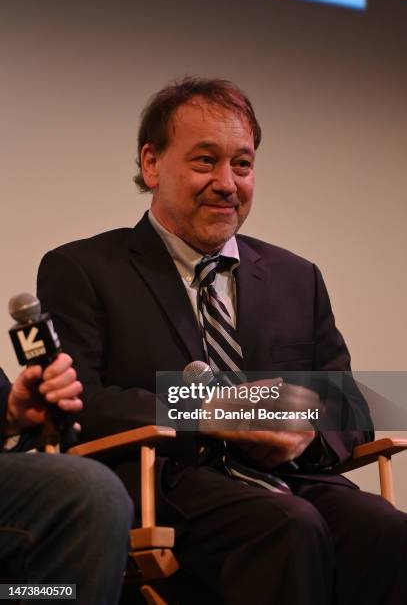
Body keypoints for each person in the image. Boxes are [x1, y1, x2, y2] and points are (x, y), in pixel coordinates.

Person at [37, 78, 406, 605]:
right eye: (205, 161)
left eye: (243, 164)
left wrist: (305, 430)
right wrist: (207, 409)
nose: (227, 183)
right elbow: (80, 403)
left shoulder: (296, 277)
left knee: (387, 531)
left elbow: (348, 404)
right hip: (168, 483)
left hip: (290, 476)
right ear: (151, 164)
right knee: (286, 526)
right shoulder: (83, 268)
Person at [0, 354, 133, 604]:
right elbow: (93, 399)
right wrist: (197, 413)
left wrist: (9, 415)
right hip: (153, 467)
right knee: (91, 495)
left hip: (215, 464)